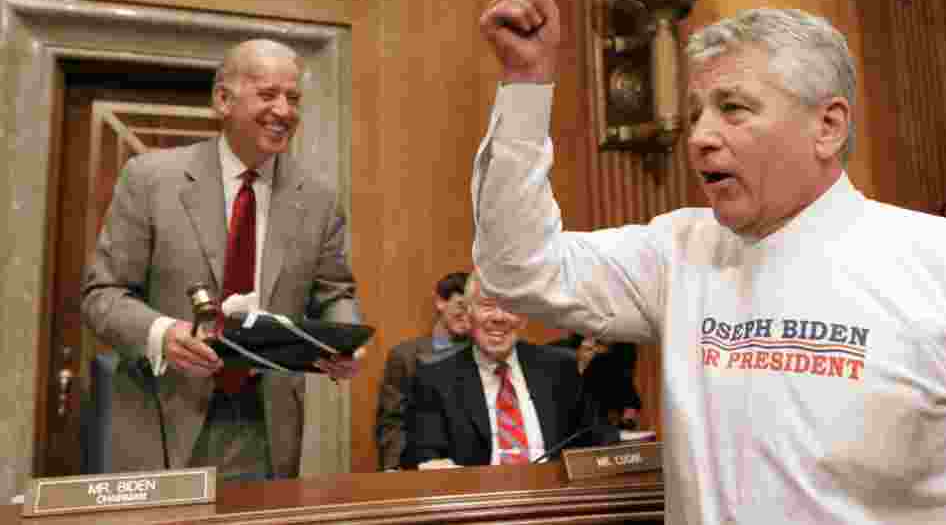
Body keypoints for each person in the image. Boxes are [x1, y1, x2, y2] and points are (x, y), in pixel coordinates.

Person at [472, 0, 946, 523]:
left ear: (827, 126)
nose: (700, 136)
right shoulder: (678, 252)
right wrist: (525, 83)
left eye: (733, 108)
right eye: (695, 114)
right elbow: (516, 269)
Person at [82, 38, 362, 480]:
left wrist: (345, 339)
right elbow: (103, 295)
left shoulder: (320, 201)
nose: (285, 111)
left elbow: (334, 293)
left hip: (265, 428)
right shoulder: (152, 179)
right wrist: (163, 332)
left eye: (293, 98)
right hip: (161, 416)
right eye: (268, 95)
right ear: (222, 100)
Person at [400, 276, 616, 469]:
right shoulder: (435, 378)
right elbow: (420, 454)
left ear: (524, 317)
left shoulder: (560, 368)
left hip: (552, 503)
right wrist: (436, 468)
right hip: (477, 507)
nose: (499, 317)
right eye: (487, 305)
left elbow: (599, 438)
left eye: (510, 306)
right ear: (468, 313)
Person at [374, 271, 474, 470]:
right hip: (419, 466)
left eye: (474, 308)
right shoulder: (405, 356)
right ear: (440, 302)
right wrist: (392, 468)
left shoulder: (482, 353)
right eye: (461, 305)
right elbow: (392, 420)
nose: (467, 315)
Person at [548, 333, 642, 429]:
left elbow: (627, 392)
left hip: (599, 429)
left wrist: (628, 417)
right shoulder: (556, 352)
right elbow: (559, 397)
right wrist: (581, 364)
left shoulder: (620, 354)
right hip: (563, 427)